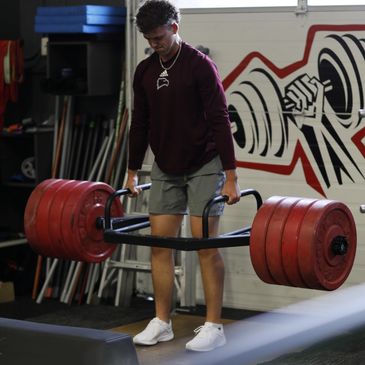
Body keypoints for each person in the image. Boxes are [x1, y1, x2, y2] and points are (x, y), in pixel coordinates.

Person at [126, 0, 241, 352]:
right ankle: (162, 321)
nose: (154, 44)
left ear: (174, 28)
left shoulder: (200, 66)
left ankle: (213, 326)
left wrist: (231, 175)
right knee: (161, 246)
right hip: (166, 166)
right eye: (149, 39)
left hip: (205, 163)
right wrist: (131, 171)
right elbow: (140, 124)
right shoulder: (145, 71)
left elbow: (221, 119)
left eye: (159, 37)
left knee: (204, 244)